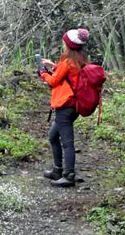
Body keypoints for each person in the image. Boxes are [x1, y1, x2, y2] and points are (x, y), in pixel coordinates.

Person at [38, 27, 90, 188]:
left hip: (66, 106)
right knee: (53, 137)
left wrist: (42, 73)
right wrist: (52, 65)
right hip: (73, 105)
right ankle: (57, 170)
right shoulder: (79, 59)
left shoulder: (68, 61)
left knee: (67, 142)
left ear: (68, 45)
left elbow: (53, 81)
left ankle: (69, 176)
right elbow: (67, 75)